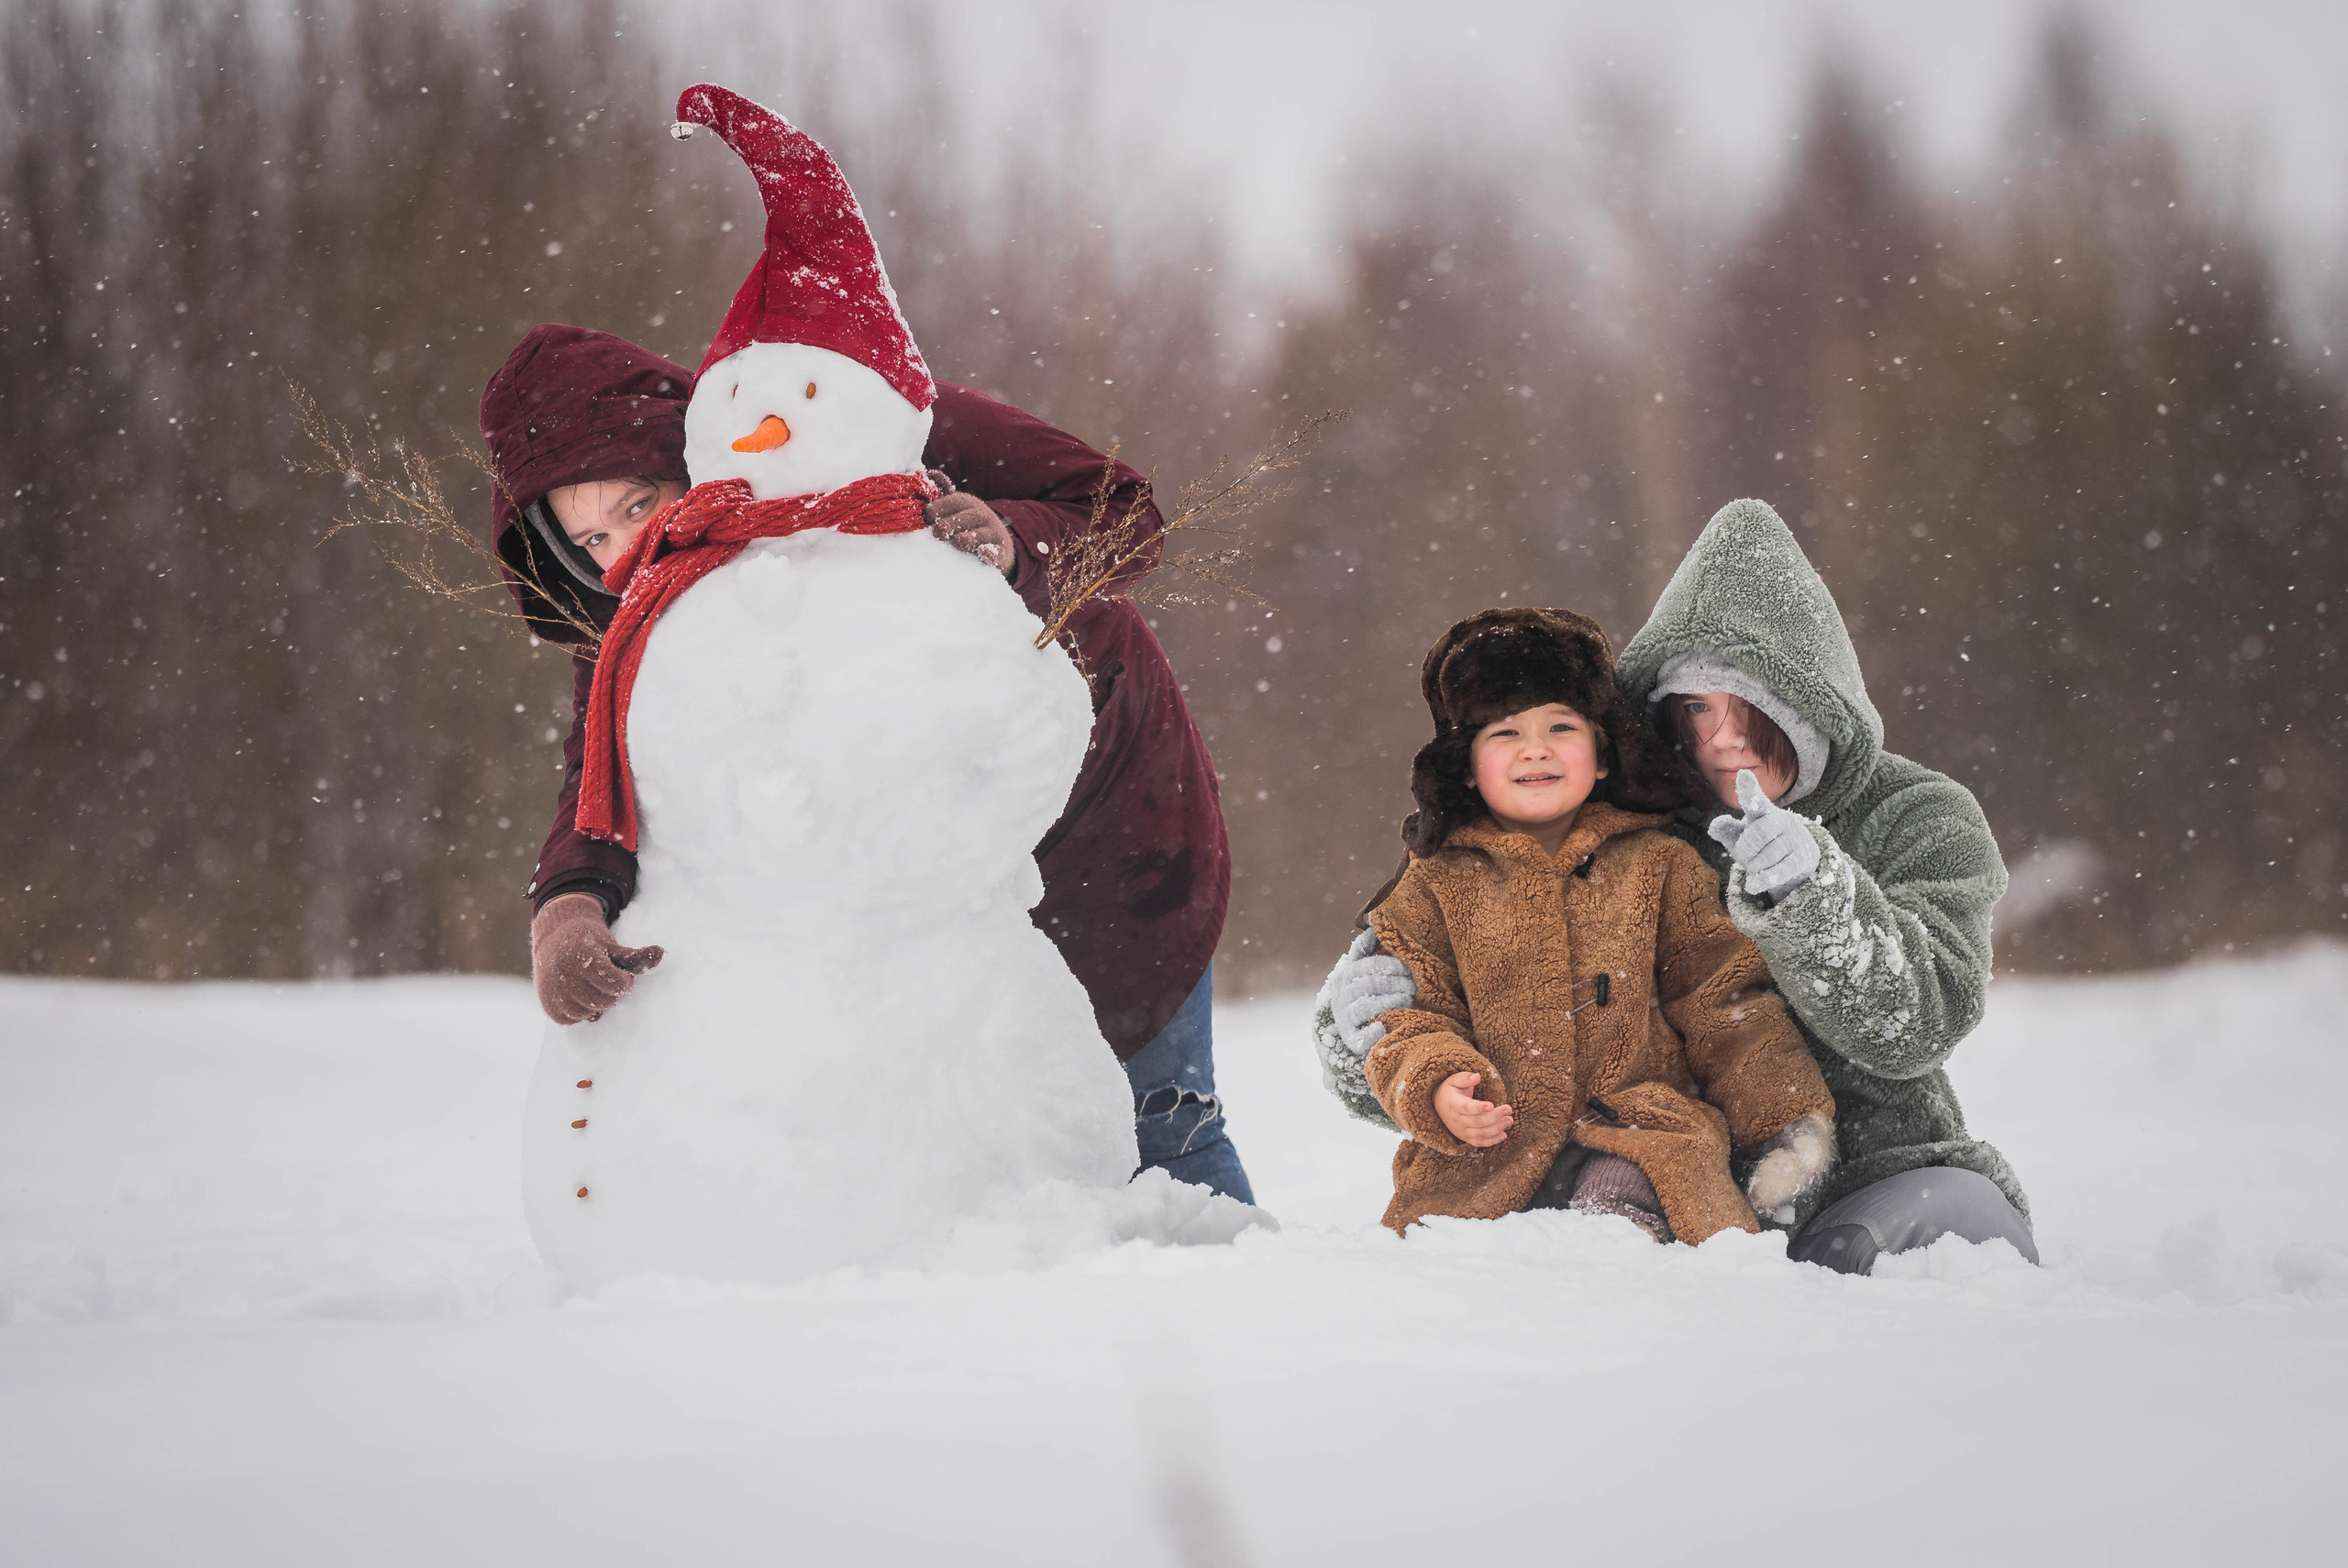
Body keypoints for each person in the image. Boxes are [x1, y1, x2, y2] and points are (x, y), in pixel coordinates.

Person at [478, 323, 1252, 1203]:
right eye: (588, 542)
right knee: (986, 1179)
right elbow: (601, 773)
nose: (621, 547)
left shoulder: (852, 410)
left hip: (1111, 843)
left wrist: (1012, 539)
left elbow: (1127, 515)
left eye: (636, 500)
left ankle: (1225, 1326)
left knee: (1163, 1126)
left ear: (682, 449)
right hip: (910, 922)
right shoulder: (641, 604)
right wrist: (570, 906)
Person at [1319, 500, 2032, 1271]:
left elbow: (1918, 1022)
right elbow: (1492, 998)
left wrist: (1815, 895)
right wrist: (1360, 1033)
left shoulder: (1917, 815)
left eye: (1750, 706)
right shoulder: (1628, 822)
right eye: (1695, 707)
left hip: (1878, 1173)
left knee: (1951, 1241)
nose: (1720, 738)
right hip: (1679, 1189)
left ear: (1814, 706)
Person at [1358, 606, 1835, 1242]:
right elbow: (1411, 1013)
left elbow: (1723, 999)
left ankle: (1616, 1273)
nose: (1537, 748)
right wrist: (1440, 1086)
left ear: (1603, 756)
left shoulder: (1660, 865)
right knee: (1457, 1250)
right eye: (1504, 733)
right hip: (1485, 1152)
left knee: (1623, 1209)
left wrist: (1786, 1120)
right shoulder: (1435, 882)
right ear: (1467, 767)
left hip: (1637, 1134)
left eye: (1561, 726)